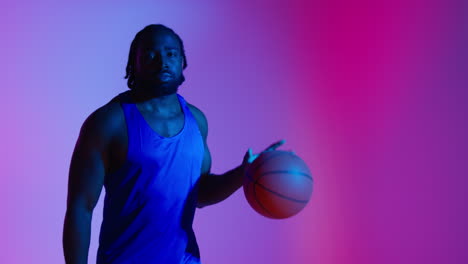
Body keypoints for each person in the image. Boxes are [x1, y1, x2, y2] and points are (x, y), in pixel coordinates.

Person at [62, 24, 287, 264]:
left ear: (182, 63)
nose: (163, 62)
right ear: (132, 63)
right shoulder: (108, 122)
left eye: (171, 54)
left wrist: (244, 174)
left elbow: (199, 194)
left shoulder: (197, 121)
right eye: (151, 53)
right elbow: (81, 208)